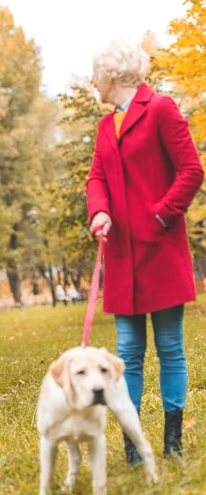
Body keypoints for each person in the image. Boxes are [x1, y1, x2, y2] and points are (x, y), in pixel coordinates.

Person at [87, 39, 204, 463]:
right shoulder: (105, 127)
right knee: (127, 353)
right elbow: (96, 177)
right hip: (121, 256)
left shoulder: (161, 109)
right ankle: (134, 446)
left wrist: (160, 216)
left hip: (161, 251)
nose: (92, 80)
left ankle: (172, 442)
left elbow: (192, 170)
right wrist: (99, 212)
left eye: (95, 72)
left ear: (114, 74)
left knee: (170, 346)